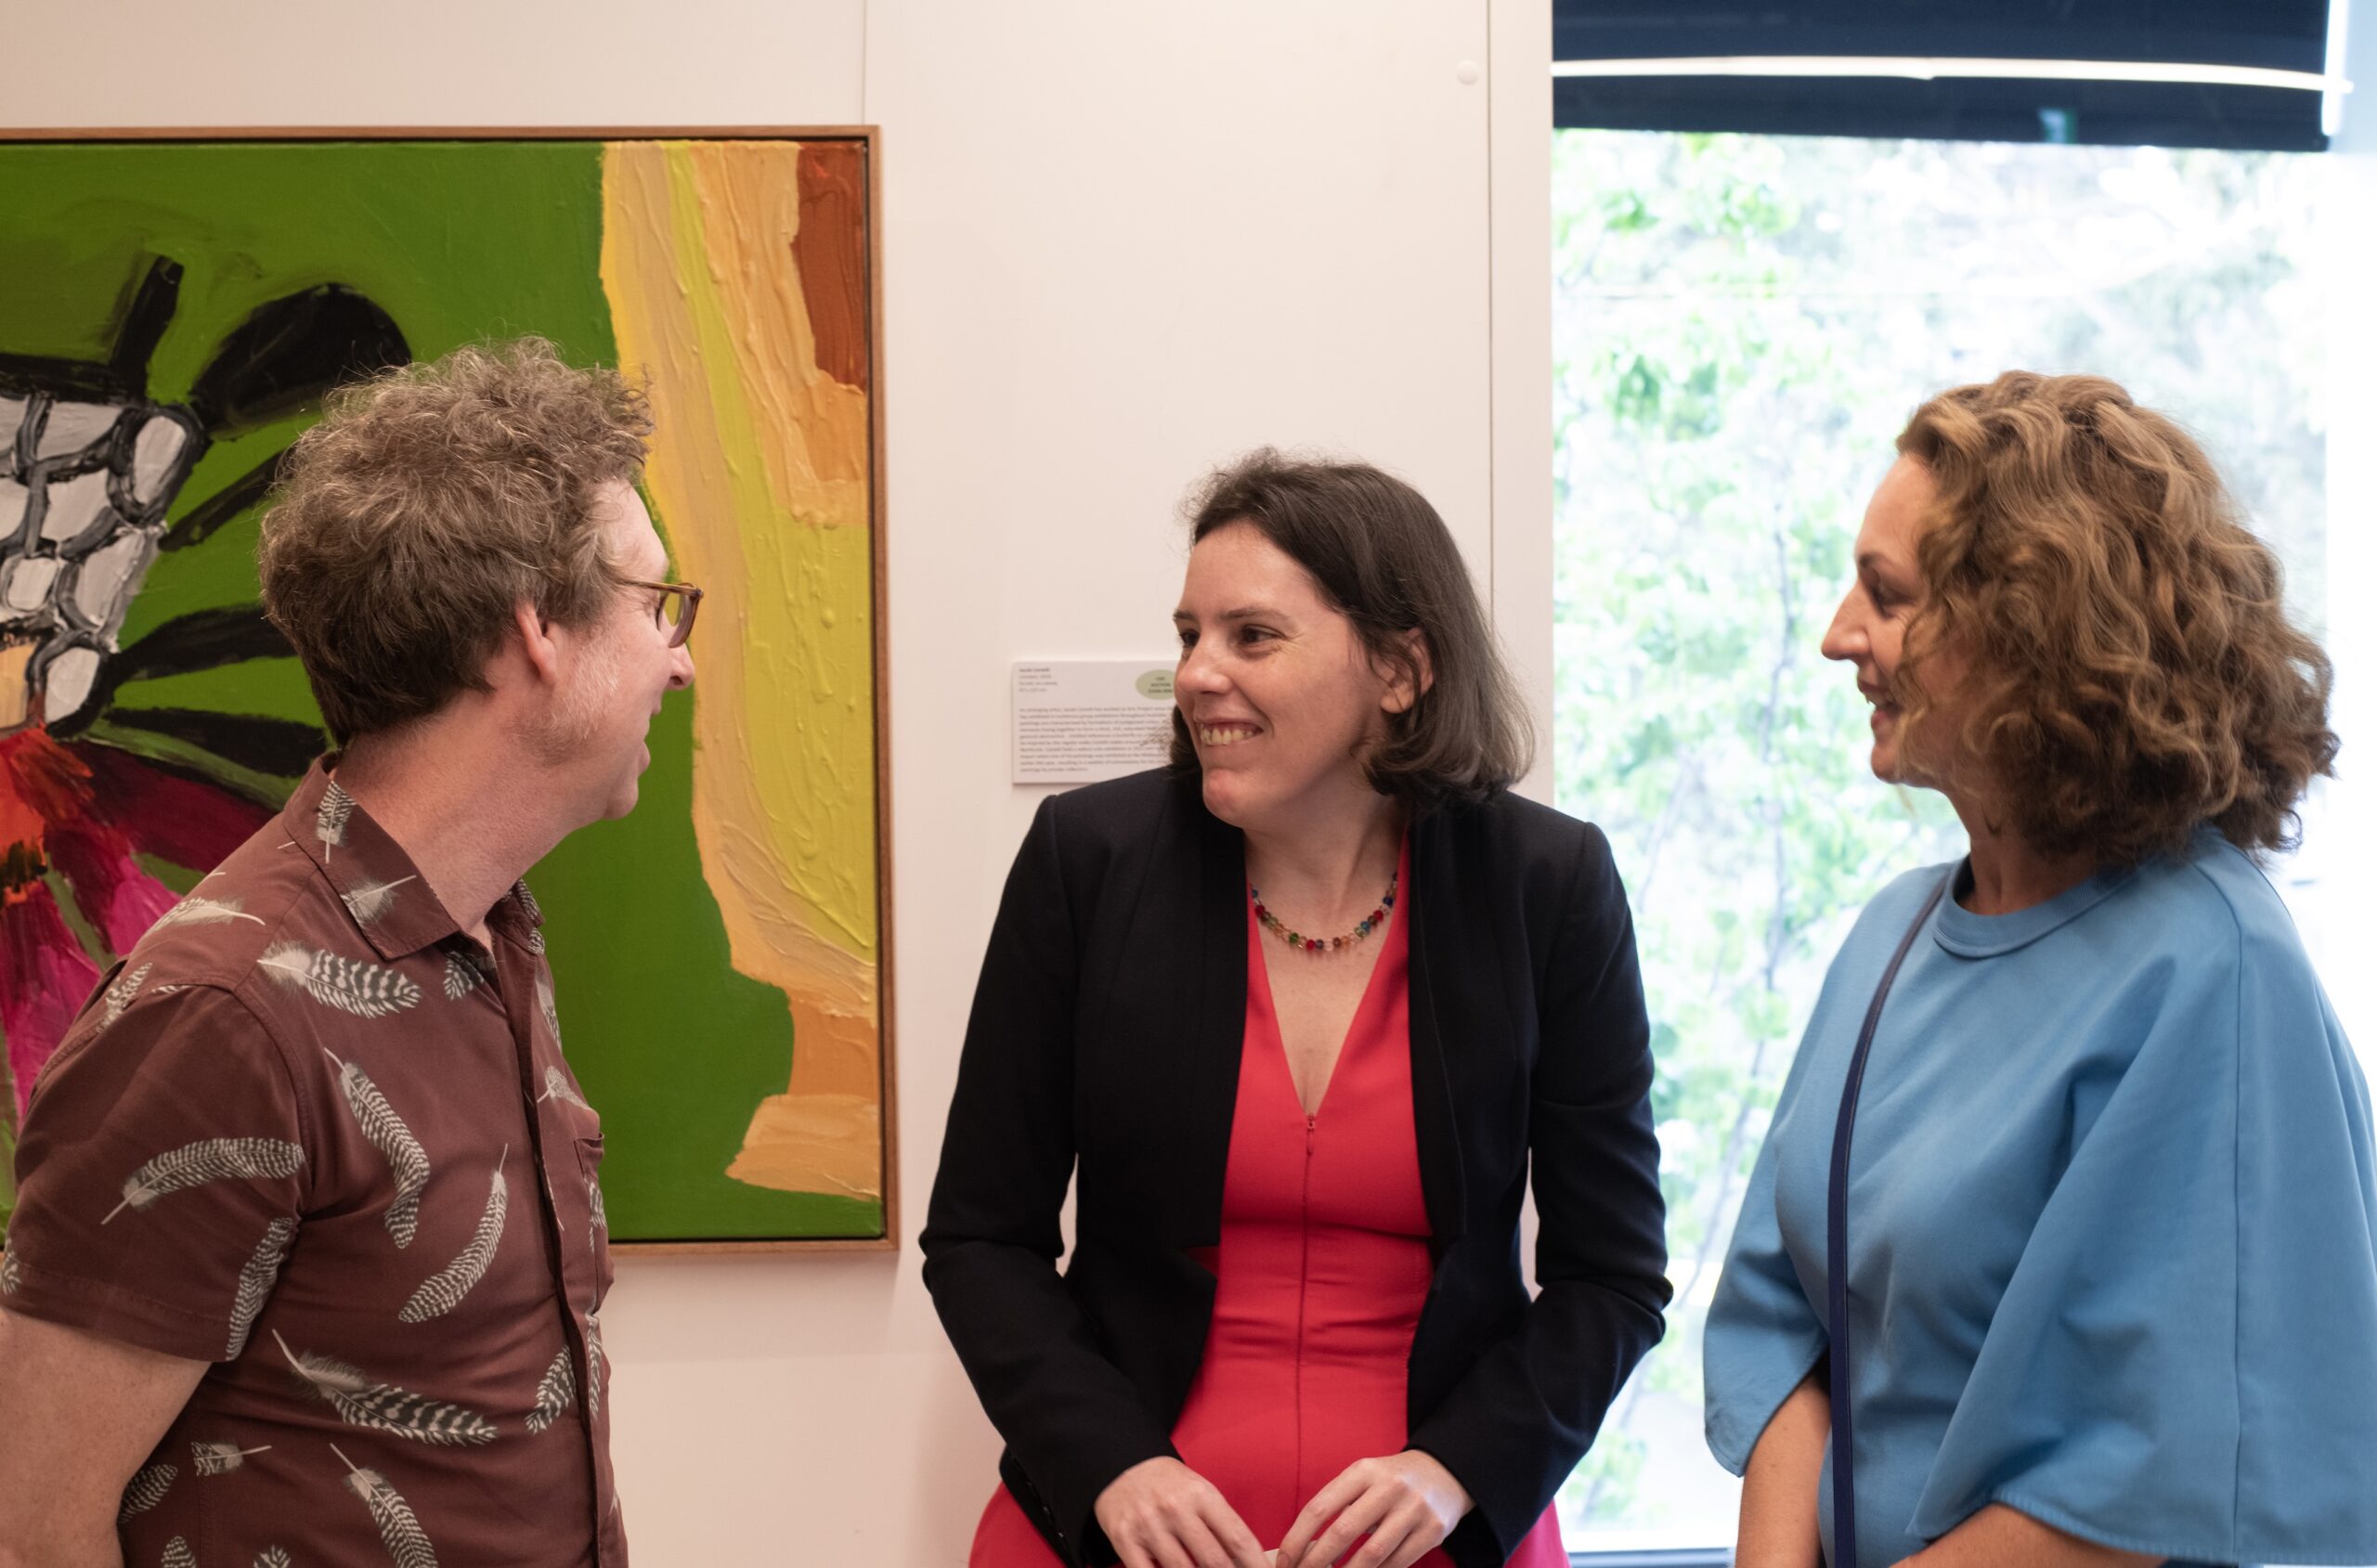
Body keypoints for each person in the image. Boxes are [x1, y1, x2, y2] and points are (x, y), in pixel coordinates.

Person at [0, 338, 698, 1566]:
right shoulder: (219, 1014)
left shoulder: (493, 939)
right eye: (656, 606)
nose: (678, 658)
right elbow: (31, 1522)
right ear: (539, 626)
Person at [923, 450, 1669, 1568]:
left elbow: (1611, 1276)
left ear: (1401, 669)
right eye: (1188, 635)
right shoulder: (1089, 861)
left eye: (1250, 636)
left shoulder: (1545, 886)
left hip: (1441, 1530)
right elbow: (982, 1238)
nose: (1195, 675)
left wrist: (1456, 1472)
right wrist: (1115, 1469)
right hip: (1114, 1530)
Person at [1704, 372, 2377, 1568]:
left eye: (1887, 595)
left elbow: (2148, 1476)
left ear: (2031, 634)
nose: (1836, 635)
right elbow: (1790, 1328)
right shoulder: (1889, 937)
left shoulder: (2209, 967)